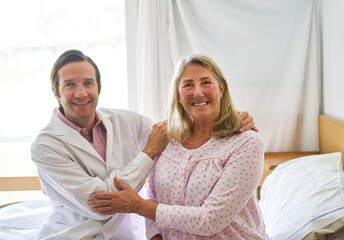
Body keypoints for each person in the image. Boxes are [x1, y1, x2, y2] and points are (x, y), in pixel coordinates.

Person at [32, 50, 257, 240]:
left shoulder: (127, 121)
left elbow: (177, 131)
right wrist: (148, 153)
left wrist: (233, 118)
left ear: (99, 87)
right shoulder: (46, 145)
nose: (81, 93)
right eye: (69, 84)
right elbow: (101, 204)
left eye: (88, 83)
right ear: (55, 91)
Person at [89, 55, 269, 239]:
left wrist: (137, 206)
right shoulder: (167, 138)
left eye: (206, 82)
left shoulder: (246, 143)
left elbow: (210, 220)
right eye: (188, 85)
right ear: (178, 94)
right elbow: (153, 197)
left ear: (221, 88)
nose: (198, 92)